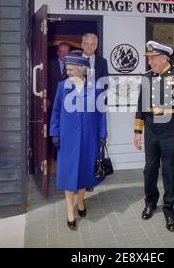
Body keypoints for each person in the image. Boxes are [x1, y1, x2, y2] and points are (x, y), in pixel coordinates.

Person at [133, 41, 174, 232]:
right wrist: (138, 131)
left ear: (164, 58)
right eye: (149, 58)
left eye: (152, 58)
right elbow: (141, 106)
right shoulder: (147, 77)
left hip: (171, 130)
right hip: (152, 130)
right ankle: (150, 202)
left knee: (170, 170)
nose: (149, 62)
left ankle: (169, 208)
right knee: (150, 169)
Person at [50, 54, 107, 229]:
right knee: (68, 174)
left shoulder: (95, 88)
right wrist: (55, 133)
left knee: (84, 172)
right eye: (66, 69)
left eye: (70, 69)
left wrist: (102, 134)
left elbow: (101, 114)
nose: (67, 73)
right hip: (68, 139)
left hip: (88, 139)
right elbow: (56, 112)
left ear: (82, 70)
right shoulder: (62, 87)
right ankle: (69, 208)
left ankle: (80, 201)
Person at [81, 33, 109, 192]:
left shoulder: (102, 62)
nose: (90, 47)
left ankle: (94, 176)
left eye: (93, 44)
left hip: (97, 110)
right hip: (79, 109)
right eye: (87, 44)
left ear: (96, 46)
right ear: (82, 44)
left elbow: (106, 83)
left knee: (96, 142)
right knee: (83, 143)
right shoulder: (75, 61)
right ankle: (82, 176)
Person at [49, 42, 71, 106]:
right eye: (61, 51)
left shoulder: (74, 65)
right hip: (53, 100)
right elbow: (46, 83)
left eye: (66, 52)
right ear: (57, 53)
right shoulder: (50, 64)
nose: (64, 54)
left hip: (69, 101)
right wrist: (47, 98)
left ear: (69, 53)